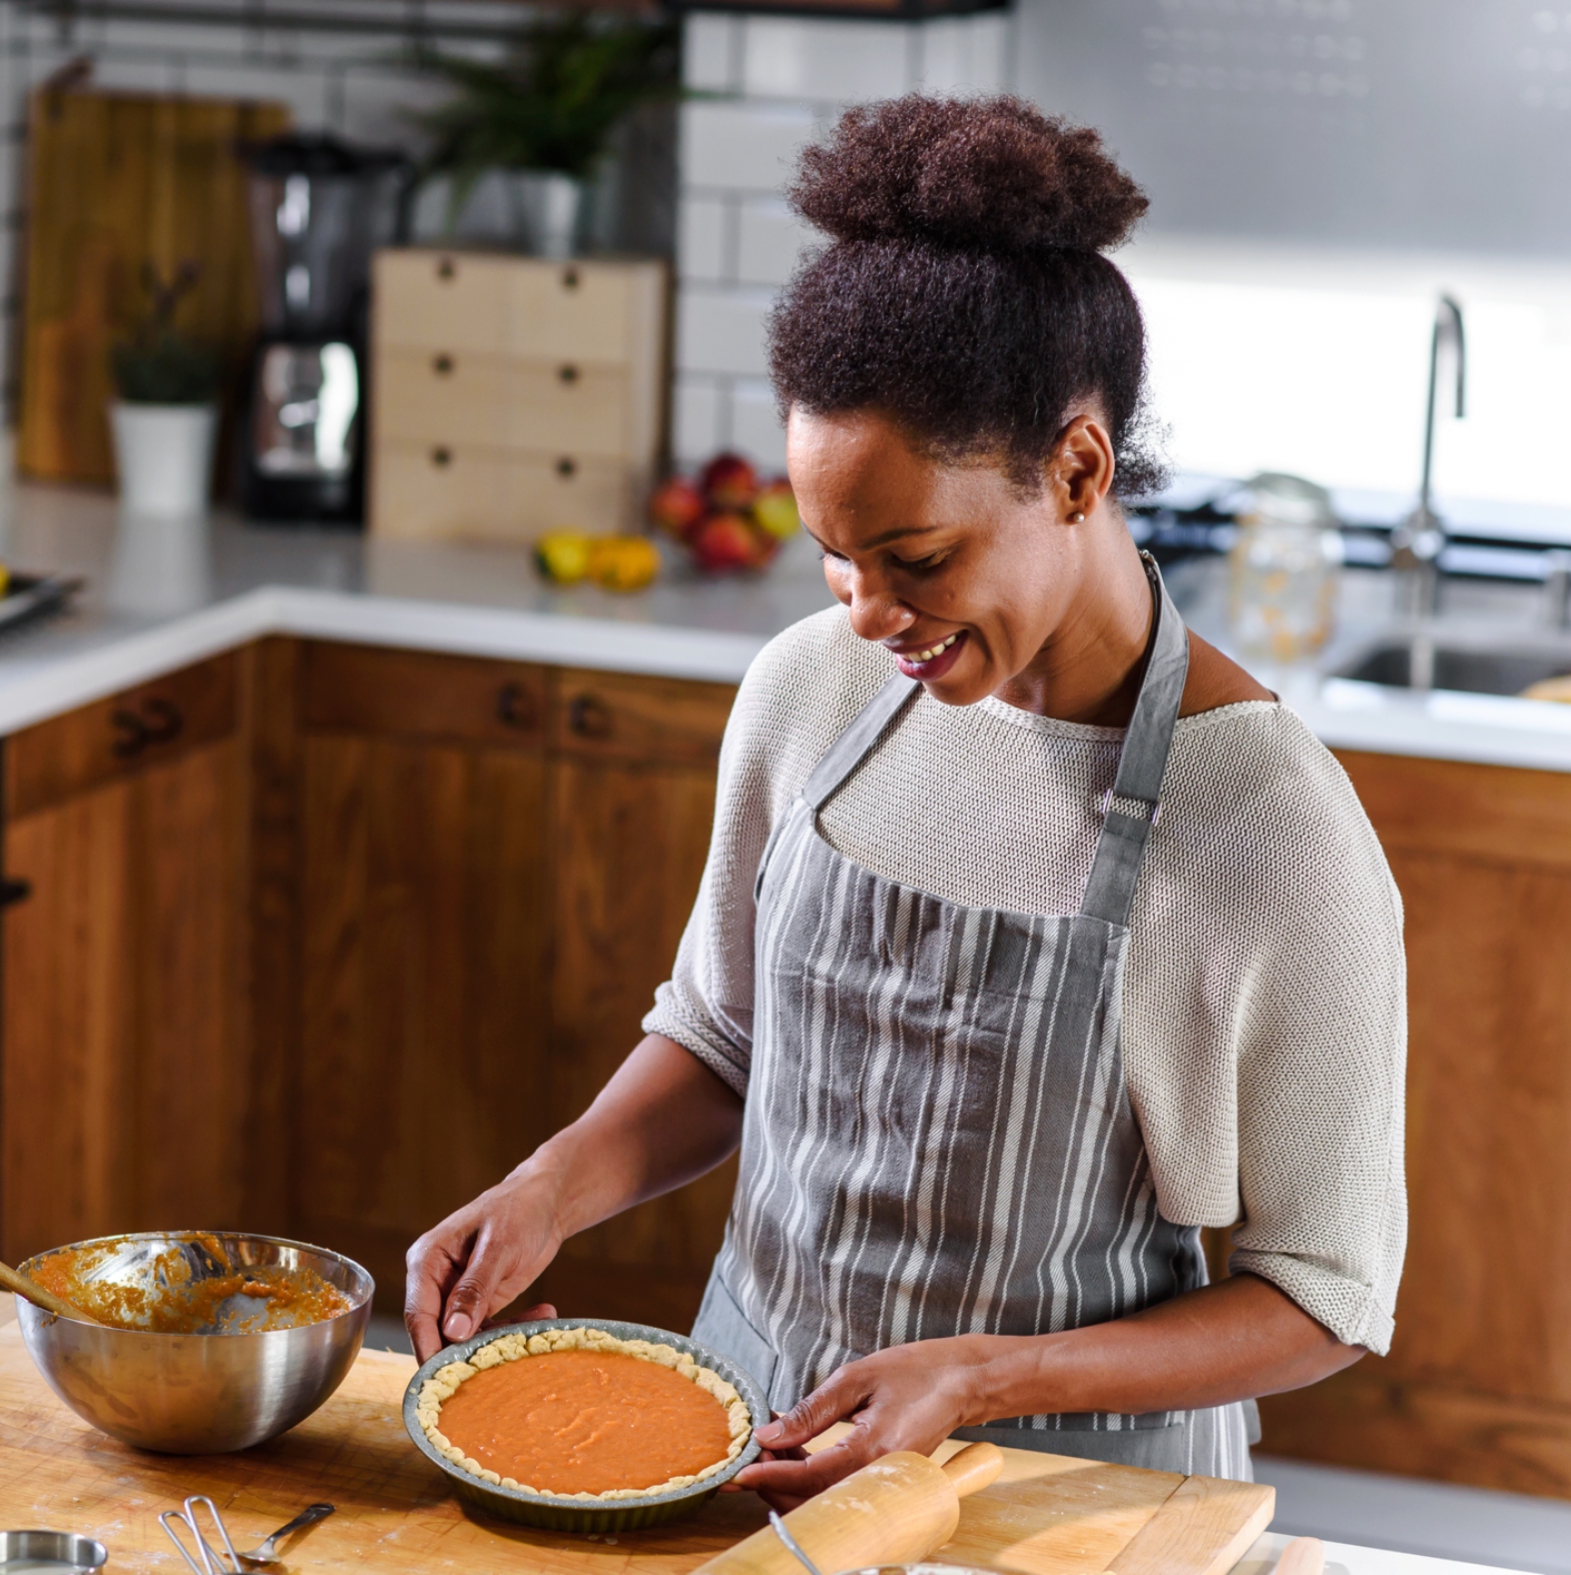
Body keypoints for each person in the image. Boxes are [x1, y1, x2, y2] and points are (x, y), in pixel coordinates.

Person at [403, 95, 1407, 1508]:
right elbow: (723, 1036)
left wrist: (987, 1374)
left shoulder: (1266, 828)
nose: (869, 612)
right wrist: (549, 1190)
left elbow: (1325, 1294)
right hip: (743, 1453)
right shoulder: (808, 693)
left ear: (1077, 470)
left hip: (1063, 1501)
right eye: (831, 554)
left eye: (916, 557)